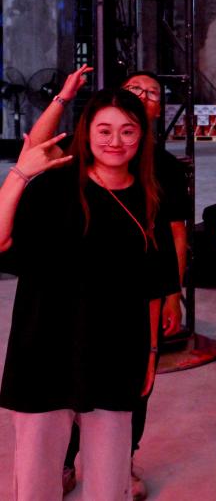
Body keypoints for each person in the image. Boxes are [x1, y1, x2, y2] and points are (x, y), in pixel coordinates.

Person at [0, 89, 179, 500]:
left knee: (109, 481)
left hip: (116, 351)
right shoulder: (54, 186)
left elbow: (153, 285)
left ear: (141, 136)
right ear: (86, 133)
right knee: (35, 479)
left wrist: (151, 352)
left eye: (127, 131)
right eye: (104, 130)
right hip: (43, 347)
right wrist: (20, 174)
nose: (115, 141)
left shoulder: (149, 196)